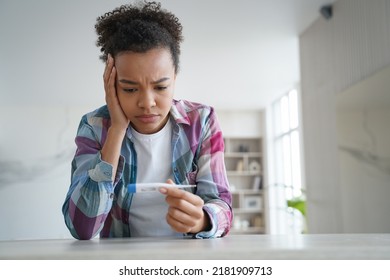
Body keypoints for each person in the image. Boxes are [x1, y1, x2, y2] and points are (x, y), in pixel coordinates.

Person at [62, 1, 232, 240]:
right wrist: (117, 130)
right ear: (111, 84)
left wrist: (203, 220)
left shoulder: (201, 121)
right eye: (130, 89)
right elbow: (82, 228)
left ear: (174, 77)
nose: (147, 102)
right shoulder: (95, 126)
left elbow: (221, 205)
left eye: (161, 87)